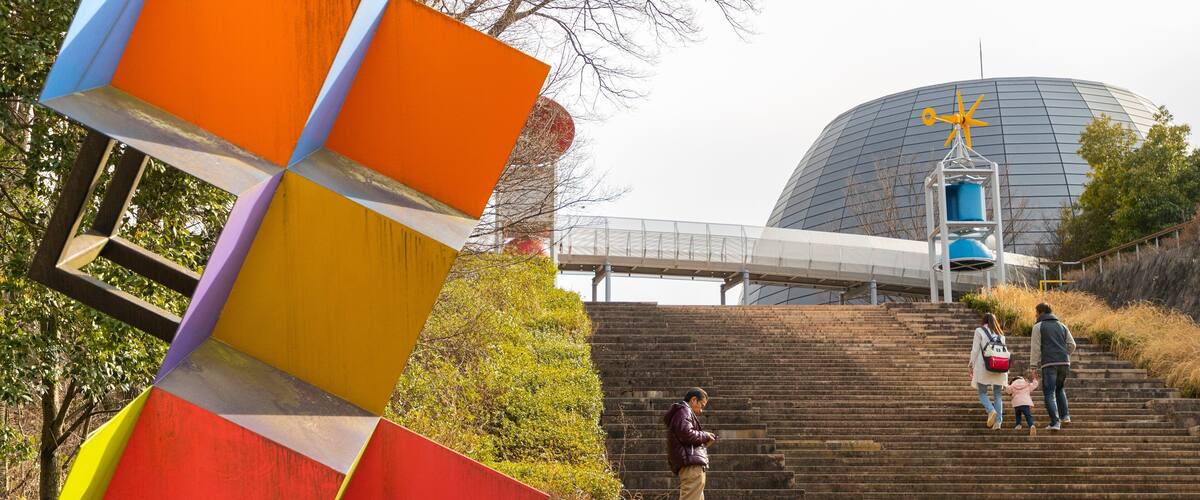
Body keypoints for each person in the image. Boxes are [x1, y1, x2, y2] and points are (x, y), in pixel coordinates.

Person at [664, 387, 717, 500]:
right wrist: (705, 435)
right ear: (693, 400)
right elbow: (686, 433)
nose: (701, 410)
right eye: (701, 405)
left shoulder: (682, 412)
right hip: (691, 467)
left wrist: (705, 442)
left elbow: (686, 438)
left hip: (692, 465)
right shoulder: (684, 411)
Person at [1030, 302, 1076, 431]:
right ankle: (1065, 416)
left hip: (1049, 363)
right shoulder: (1062, 325)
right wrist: (1063, 354)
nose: (1035, 315)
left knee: (1049, 393)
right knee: (1060, 389)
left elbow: (1035, 348)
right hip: (1064, 363)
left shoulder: (1038, 326)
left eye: (1036, 312)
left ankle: (1055, 423)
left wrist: (1033, 366)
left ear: (1041, 312)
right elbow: (1072, 345)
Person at [969, 313, 1009, 430]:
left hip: (984, 366)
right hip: (999, 367)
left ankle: (991, 410)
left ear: (984, 321)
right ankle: (998, 423)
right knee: (997, 395)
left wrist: (970, 364)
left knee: (982, 393)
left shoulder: (979, 331)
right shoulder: (1001, 335)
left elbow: (975, 349)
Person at [1005, 368, 1039, 436]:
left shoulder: (1012, 385)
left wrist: (1005, 384)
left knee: (1018, 415)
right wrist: (1035, 379)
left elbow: (1008, 390)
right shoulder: (1026, 384)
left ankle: (1018, 425)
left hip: (1017, 403)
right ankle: (1031, 425)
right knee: (1028, 416)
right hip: (1025, 402)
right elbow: (1034, 385)